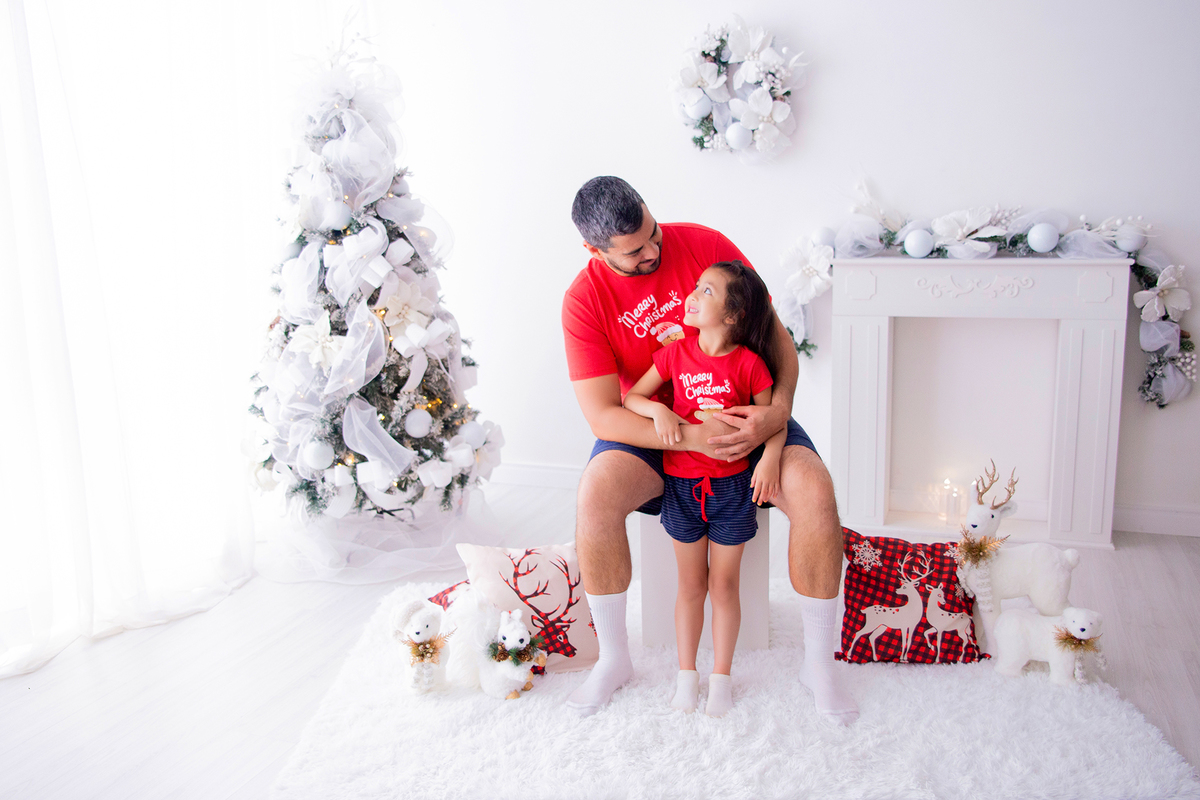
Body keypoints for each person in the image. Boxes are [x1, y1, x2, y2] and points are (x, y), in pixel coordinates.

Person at [561, 176, 857, 725]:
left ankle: (820, 663)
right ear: (594, 251)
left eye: (652, 234)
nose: (654, 251)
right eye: (634, 253)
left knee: (814, 490)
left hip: (749, 416)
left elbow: (776, 335)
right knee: (595, 495)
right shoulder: (584, 302)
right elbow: (606, 412)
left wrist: (776, 413)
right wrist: (694, 435)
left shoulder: (702, 244)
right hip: (659, 430)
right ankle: (615, 660)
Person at [623, 260, 785, 716]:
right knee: (691, 586)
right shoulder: (675, 355)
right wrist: (658, 412)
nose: (692, 296)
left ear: (733, 315)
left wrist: (769, 458)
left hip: (732, 490)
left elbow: (771, 421)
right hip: (681, 486)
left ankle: (721, 679)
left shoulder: (751, 365)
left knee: (725, 586)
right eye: (696, 286)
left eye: (707, 292)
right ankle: (686, 676)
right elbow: (633, 397)